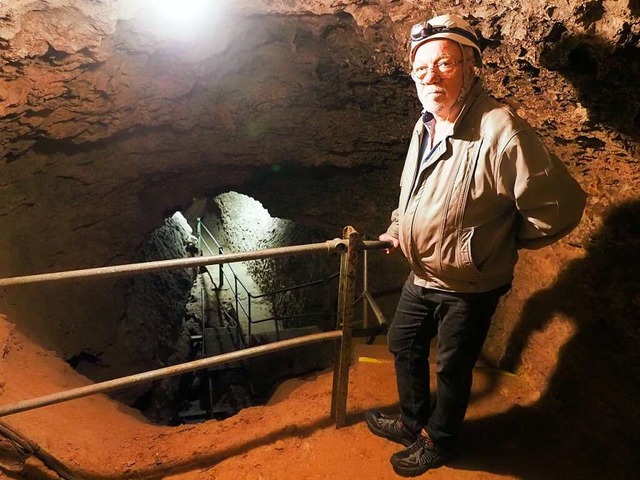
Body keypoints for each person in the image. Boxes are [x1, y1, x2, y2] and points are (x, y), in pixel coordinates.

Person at [364, 13, 587, 477]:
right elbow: (414, 190)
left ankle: (440, 441)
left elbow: (558, 209)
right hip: (423, 272)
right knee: (402, 342)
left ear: (472, 67)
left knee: (451, 367)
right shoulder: (425, 123)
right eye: (421, 68)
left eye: (445, 64)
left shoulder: (502, 130)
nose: (431, 76)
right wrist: (398, 229)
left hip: (470, 282)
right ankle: (412, 422)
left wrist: (491, 243)